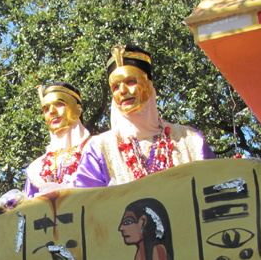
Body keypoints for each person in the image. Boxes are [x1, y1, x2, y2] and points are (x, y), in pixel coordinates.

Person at [75, 45, 213, 188]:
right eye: (115, 87)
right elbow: (87, 203)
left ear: (149, 85)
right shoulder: (99, 148)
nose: (122, 91)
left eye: (131, 81)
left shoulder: (189, 140)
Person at [24, 82, 91, 197]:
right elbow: (28, 211)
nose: (52, 111)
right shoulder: (36, 169)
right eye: (46, 108)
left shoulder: (98, 148)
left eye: (59, 103)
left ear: (78, 108)